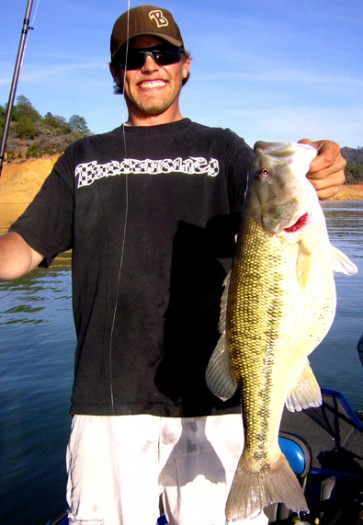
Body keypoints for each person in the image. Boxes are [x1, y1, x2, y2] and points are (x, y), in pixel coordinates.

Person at [0, 5, 347, 525]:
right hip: (106, 401)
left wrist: (321, 164)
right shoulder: (82, 156)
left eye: (163, 53)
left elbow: (283, 203)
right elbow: (22, 249)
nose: (150, 65)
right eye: (134, 57)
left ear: (185, 64)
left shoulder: (225, 150)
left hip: (218, 404)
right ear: (117, 72)